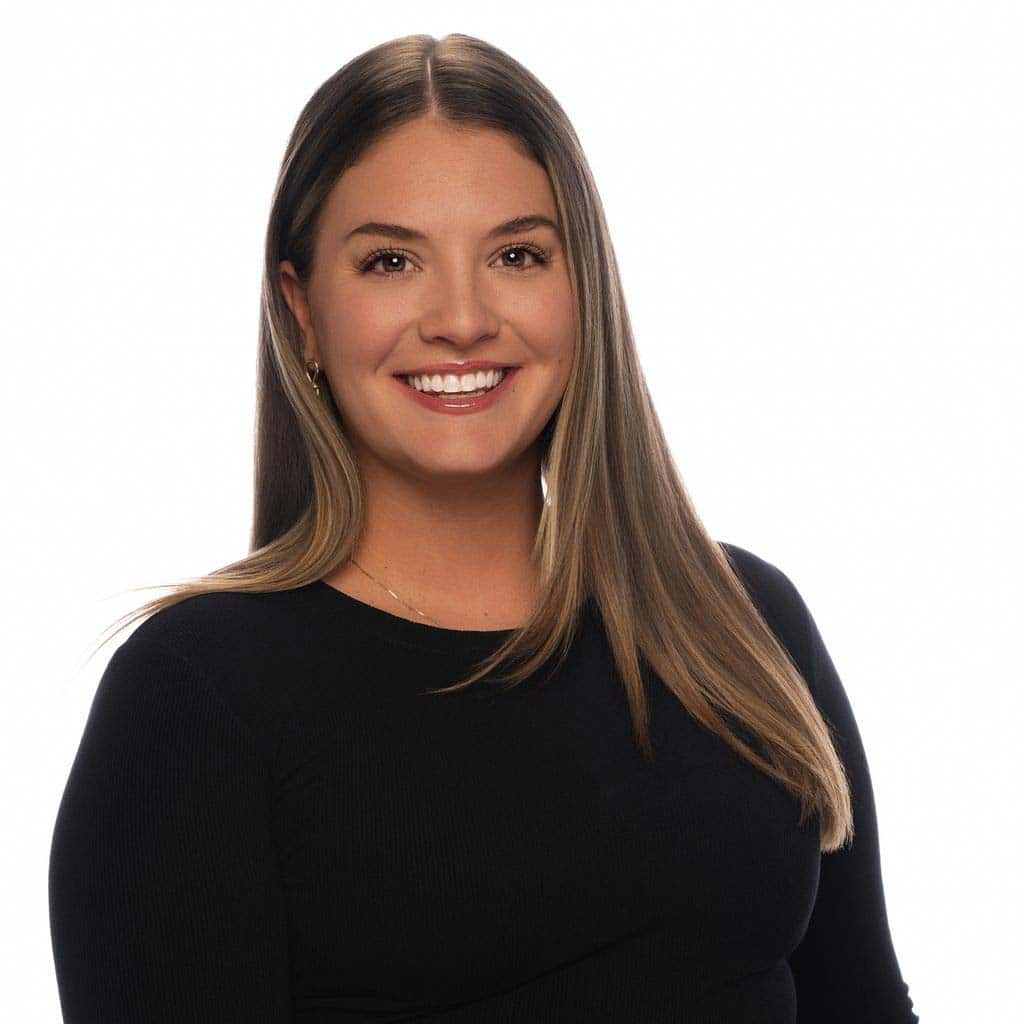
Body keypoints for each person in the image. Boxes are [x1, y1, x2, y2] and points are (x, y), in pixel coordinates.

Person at [47, 32, 919, 1024]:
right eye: (390, 261)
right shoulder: (197, 697)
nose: (461, 319)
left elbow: (862, 1005)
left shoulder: (739, 620)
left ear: (582, 286)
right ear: (301, 316)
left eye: (515, 254)